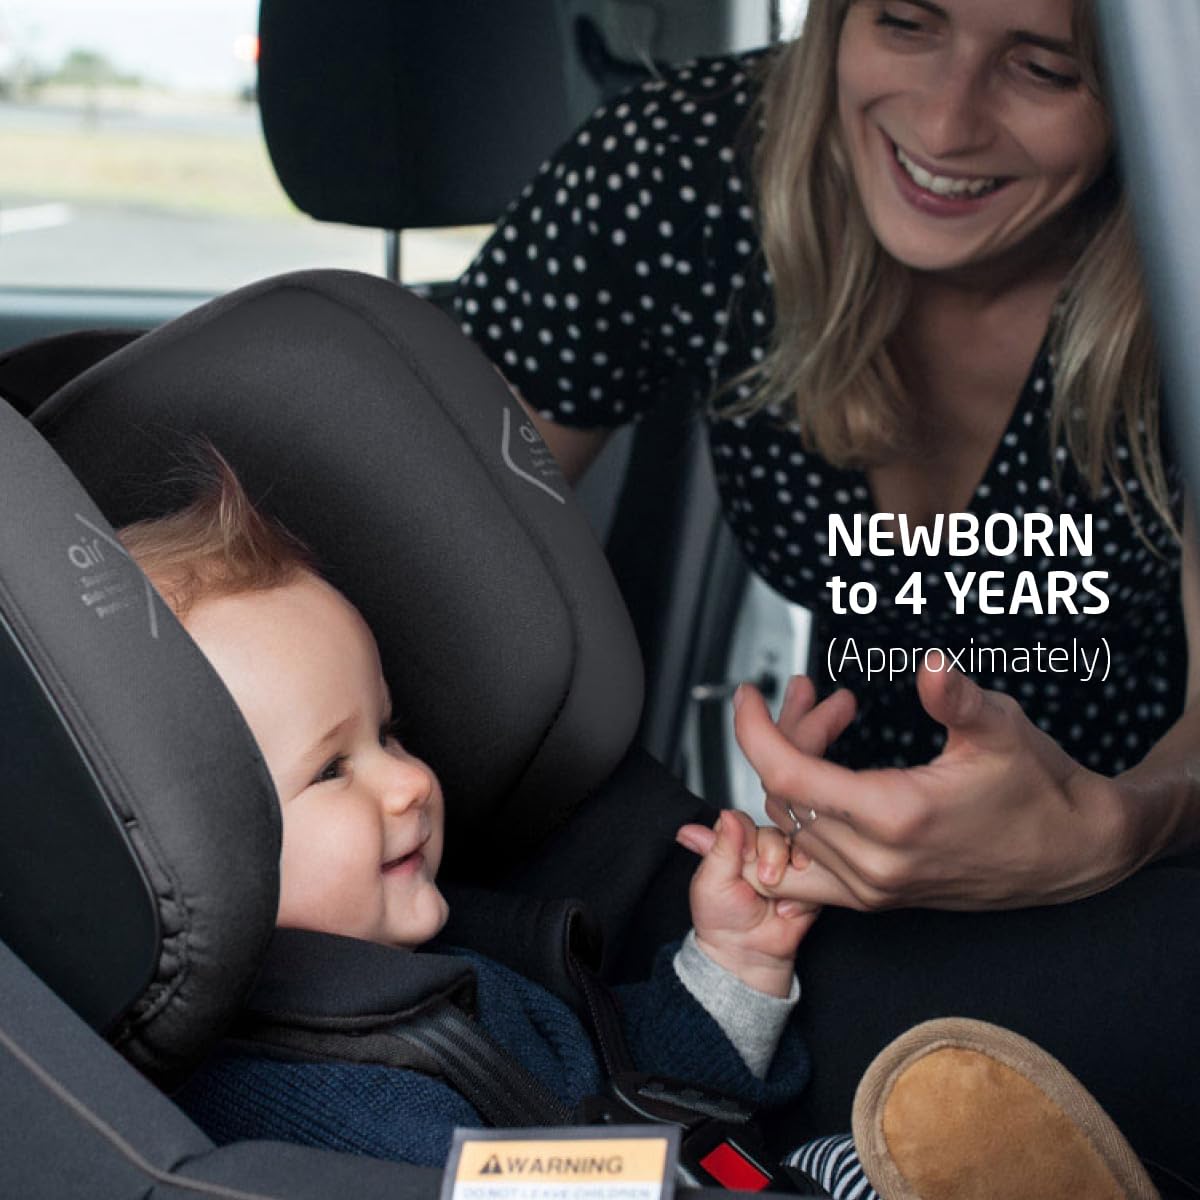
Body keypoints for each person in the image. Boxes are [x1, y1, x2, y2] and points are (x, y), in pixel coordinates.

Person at [451, 0, 1200, 1177]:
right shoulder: (687, 167)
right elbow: (433, 545)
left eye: (1043, 67)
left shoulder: (1187, 230)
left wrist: (1115, 828)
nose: (945, 123)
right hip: (828, 904)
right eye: (905, 21)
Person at [120, 464, 1158, 1200]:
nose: (411, 781)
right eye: (333, 769)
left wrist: (734, 962)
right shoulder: (295, 1103)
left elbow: (628, 1092)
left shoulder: (429, 976)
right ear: (182, 852)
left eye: (390, 733)